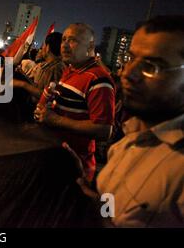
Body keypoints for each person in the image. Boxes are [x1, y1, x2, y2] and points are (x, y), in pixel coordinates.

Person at [72, 15, 184, 227]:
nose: (128, 73)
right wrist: (96, 205)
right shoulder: (127, 141)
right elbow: (110, 208)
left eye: (152, 66)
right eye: (131, 58)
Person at [34, 23, 115, 181]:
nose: (64, 45)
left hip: (74, 169)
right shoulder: (70, 70)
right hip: (55, 157)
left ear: (90, 45)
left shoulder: (98, 79)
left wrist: (55, 119)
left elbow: (104, 130)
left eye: (72, 40)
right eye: (64, 39)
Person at [15, 32, 65, 102]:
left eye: (43, 45)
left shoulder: (56, 68)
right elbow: (37, 87)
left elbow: (47, 95)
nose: (42, 48)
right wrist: (22, 74)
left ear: (47, 47)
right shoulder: (49, 66)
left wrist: (23, 84)